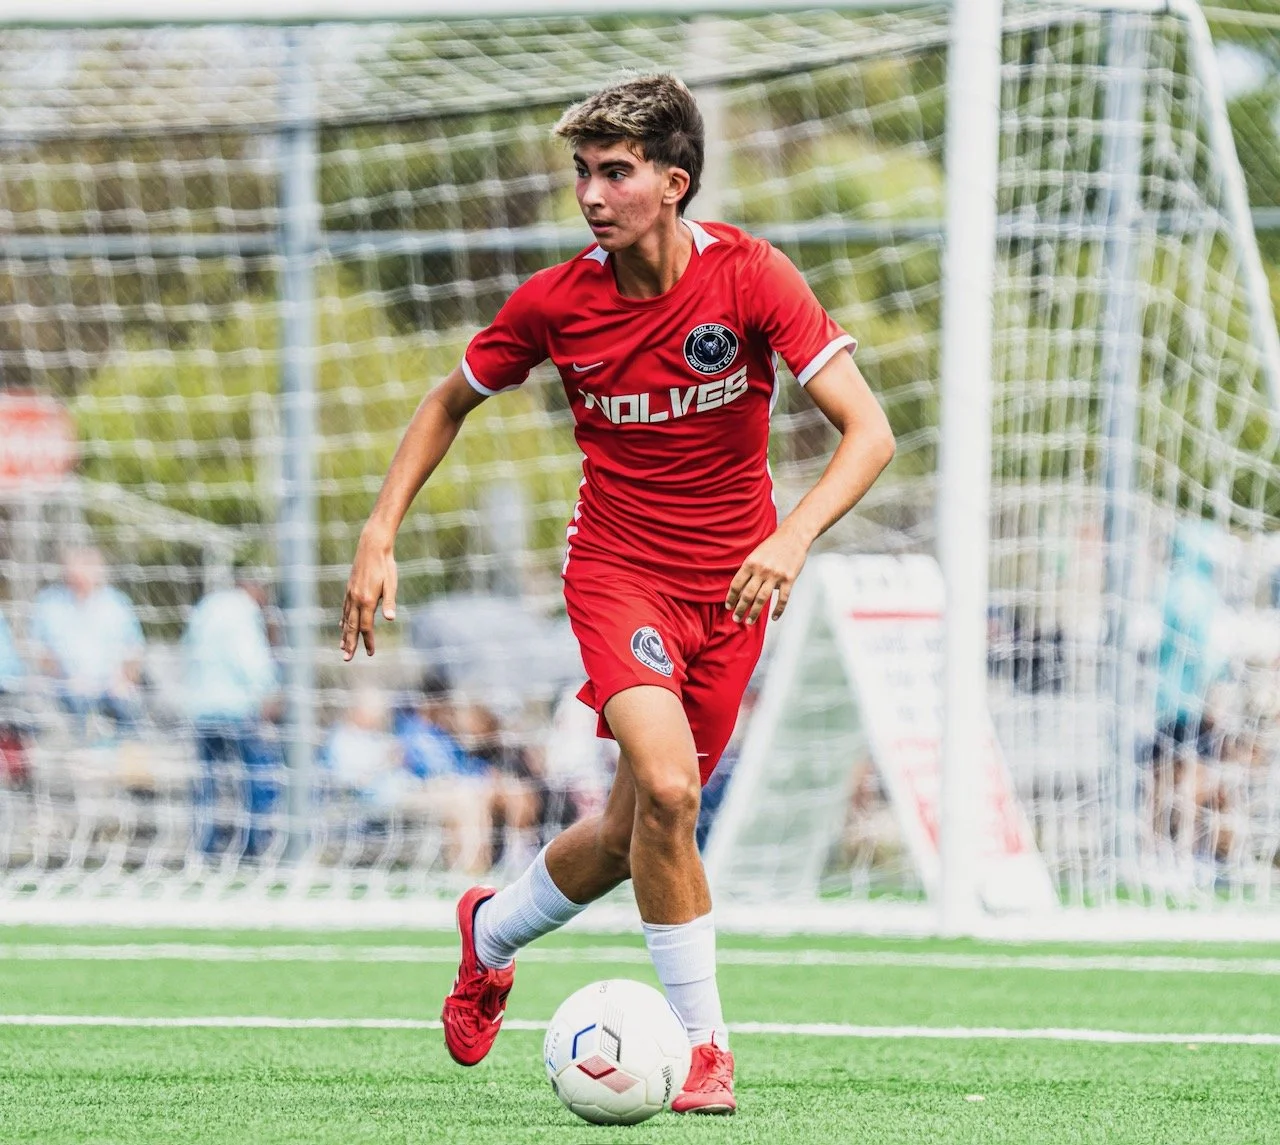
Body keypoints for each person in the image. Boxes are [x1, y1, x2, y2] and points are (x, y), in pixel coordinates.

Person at [339, 73, 895, 1113]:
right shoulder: (553, 301)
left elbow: (869, 432)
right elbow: (446, 399)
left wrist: (787, 535)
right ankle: (705, 1047)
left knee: (631, 830)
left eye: (615, 172)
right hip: (617, 575)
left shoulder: (753, 278)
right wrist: (380, 531)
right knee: (673, 792)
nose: (591, 194)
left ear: (672, 182)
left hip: (732, 589)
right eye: (582, 174)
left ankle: (489, 930)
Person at [182, 572, 281, 858]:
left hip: (201, 706)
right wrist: (270, 690)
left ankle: (205, 847)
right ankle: (252, 846)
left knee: (207, 781)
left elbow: (188, 647)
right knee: (254, 776)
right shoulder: (243, 611)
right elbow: (249, 658)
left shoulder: (207, 606)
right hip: (236, 708)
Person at [31, 546, 144, 736]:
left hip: (111, 689)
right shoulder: (50, 603)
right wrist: (63, 678)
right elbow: (40, 652)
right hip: (65, 690)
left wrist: (123, 679)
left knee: (130, 719)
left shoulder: (116, 604)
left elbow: (134, 649)